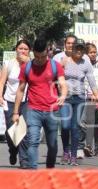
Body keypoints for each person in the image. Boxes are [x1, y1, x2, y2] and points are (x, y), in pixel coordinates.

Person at [12, 38, 68, 169]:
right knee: (32, 142)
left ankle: (49, 170)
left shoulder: (55, 66)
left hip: (52, 111)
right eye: (36, 56)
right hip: (33, 110)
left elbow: (63, 84)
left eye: (42, 56)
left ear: (47, 52)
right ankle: (33, 173)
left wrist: (63, 95)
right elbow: (20, 90)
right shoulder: (27, 67)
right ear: (33, 53)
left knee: (53, 145)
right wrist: (15, 112)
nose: (39, 59)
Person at [59, 42, 98, 166]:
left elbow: (92, 82)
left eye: (81, 50)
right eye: (77, 50)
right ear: (72, 50)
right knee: (65, 126)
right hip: (65, 98)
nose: (79, 52)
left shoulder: (86, 63)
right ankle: (65, 152)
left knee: (75, 127)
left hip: (79, 99)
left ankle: (73, 156)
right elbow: (56, 77)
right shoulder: (65, 61)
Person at [0, 40, 31, 168]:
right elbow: (2, 82)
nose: (22, 51)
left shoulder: (32, 64)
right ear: (16, 49)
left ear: (29, 51)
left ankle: (23, 160)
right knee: (10, 131)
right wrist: (0, 95)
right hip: (10, 101)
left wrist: (28, 63)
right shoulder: (9, 64)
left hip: (26, 101)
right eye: (20, 48)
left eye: (25, 49)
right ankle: (13, 150)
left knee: (23, 130)